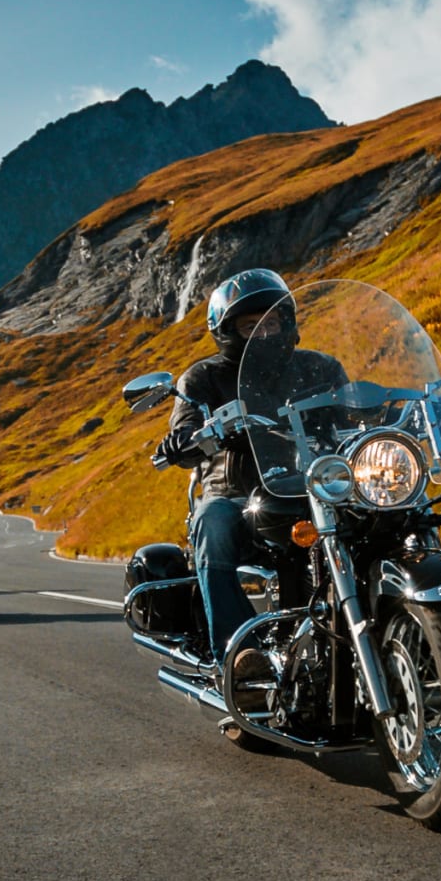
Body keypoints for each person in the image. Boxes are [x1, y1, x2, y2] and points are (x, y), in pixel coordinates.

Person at [152, 269, 346, 706]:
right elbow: (184, 430)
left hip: (315, 488)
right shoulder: (204, 378)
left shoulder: (319, 367)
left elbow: (351, 410)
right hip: (236, 494)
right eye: (248, 324)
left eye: (272, 320)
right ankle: (241, 655)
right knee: (212, 523)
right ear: (226, 333)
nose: (263, 330)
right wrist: (189, 438)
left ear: (289, 322)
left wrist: (396, 408)